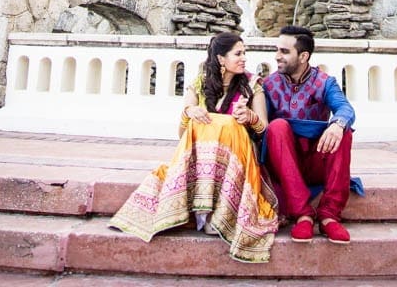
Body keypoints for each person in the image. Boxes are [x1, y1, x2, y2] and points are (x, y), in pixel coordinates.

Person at [109, 32, 278, 263]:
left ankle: (218, 213)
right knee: (202, 122)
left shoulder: (252, 85)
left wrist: (249, 116)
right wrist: (190, 112)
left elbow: (264, 130)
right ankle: (203, 210)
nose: (244, 58)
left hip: (238, 157)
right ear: (221, 59)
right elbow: (183, 134)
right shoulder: (200, 83)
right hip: (201, 160)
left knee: (227, 124)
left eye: (244, 53)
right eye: (238, 54)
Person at [263, 24, 359, 244]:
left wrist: (337, 124)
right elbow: (260, 126)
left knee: (343, 131)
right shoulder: (269, 85)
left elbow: (345, 109)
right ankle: (303, 214)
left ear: (303, 56)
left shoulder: (325, 83)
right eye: (277, 50)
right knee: (277, 127)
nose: (277, 56)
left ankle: (329, 216)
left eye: (284, 52)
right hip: (283, 164)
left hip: (316, 160)